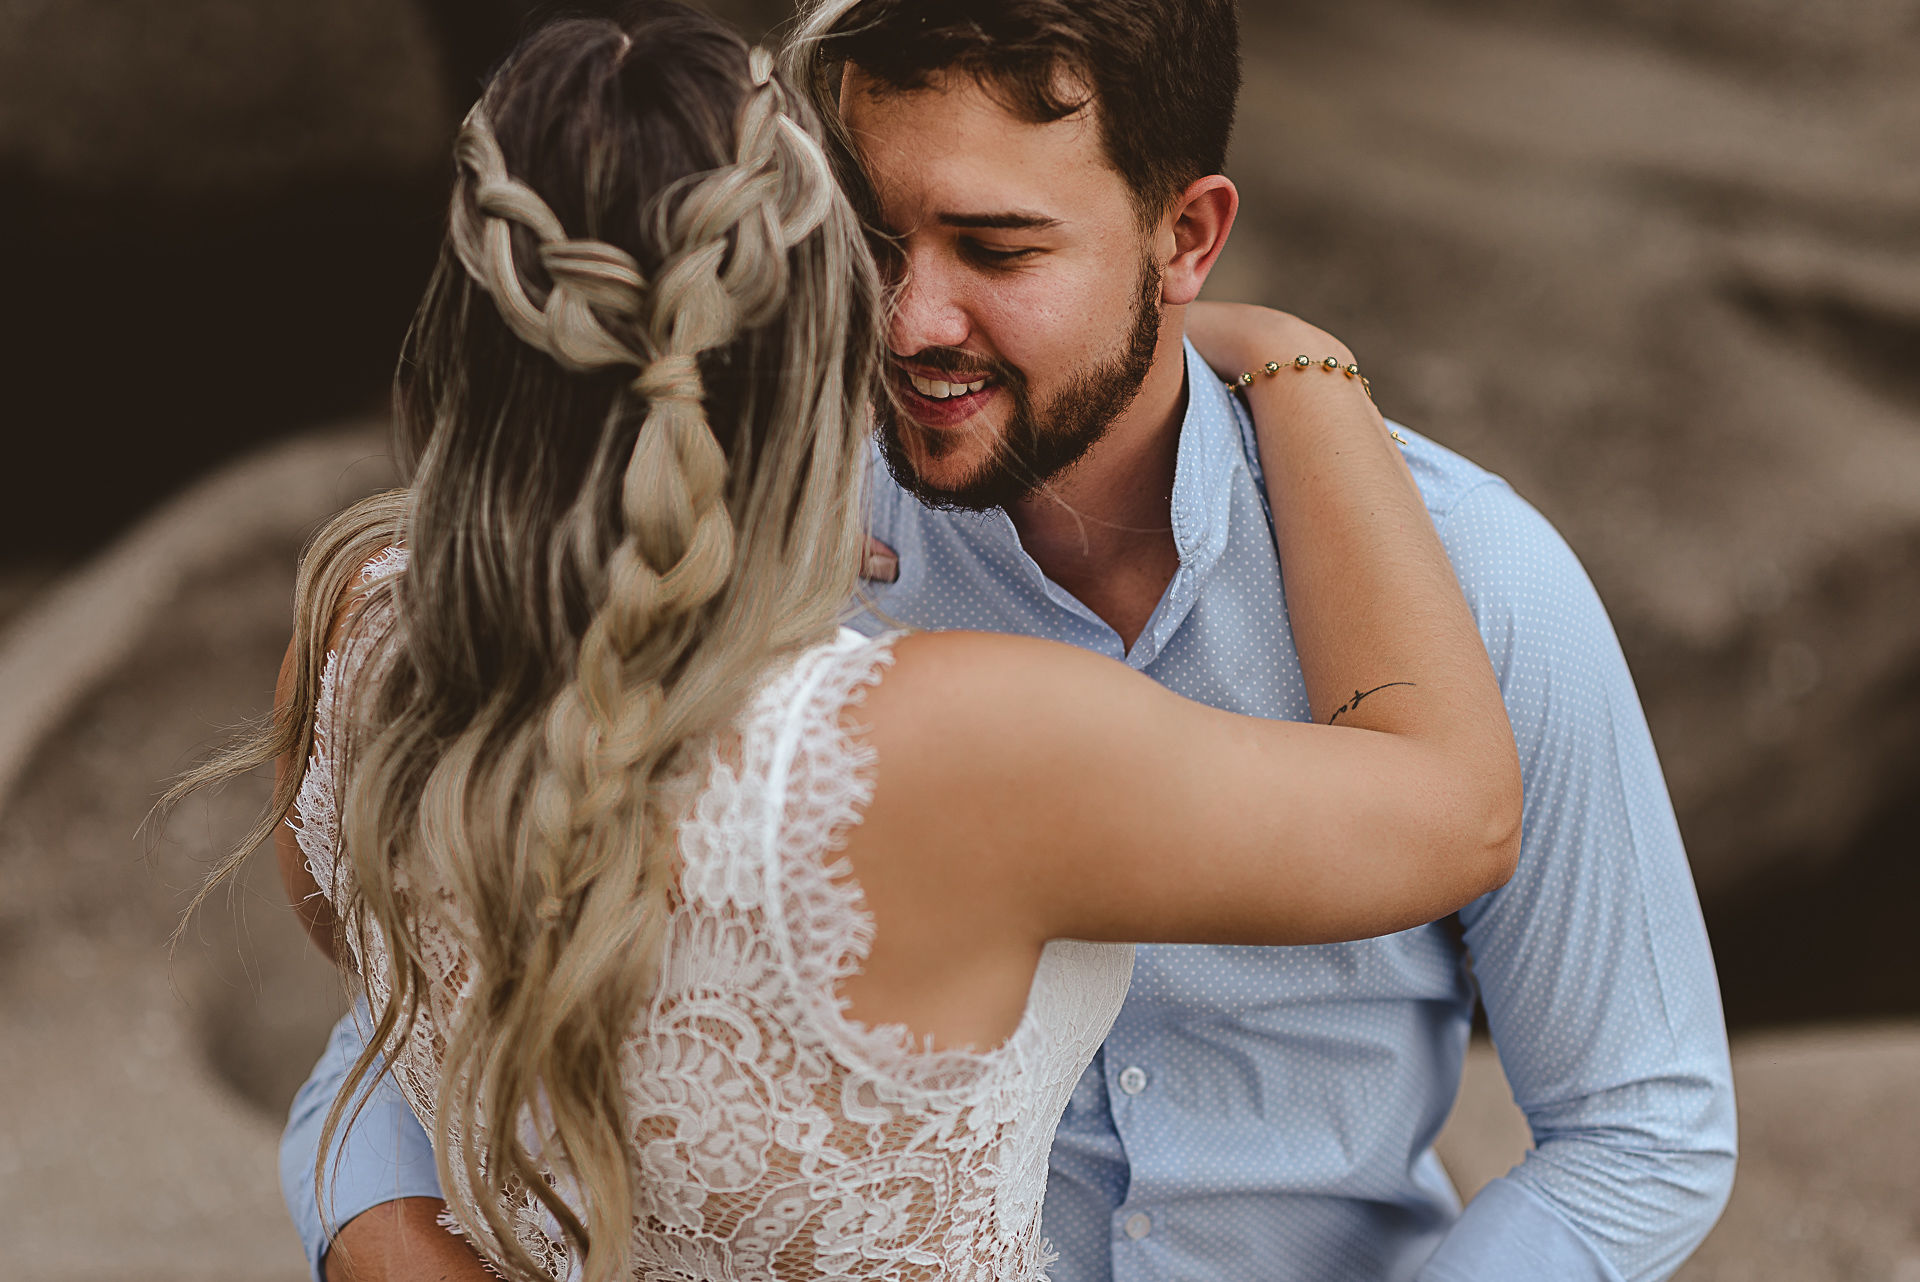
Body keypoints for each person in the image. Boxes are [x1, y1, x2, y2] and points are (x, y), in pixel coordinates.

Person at [283, 2, 1738, 1280]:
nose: (912, 319)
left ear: (1187, 237)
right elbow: (441, 987)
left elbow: (1640, 1123)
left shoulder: (1474, 577)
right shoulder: (728, 552)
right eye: (871, 239)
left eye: (996, 248)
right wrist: (381, 1228)